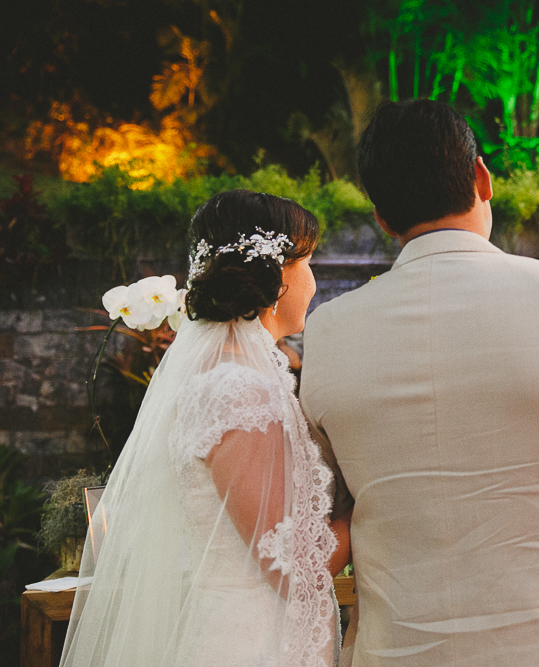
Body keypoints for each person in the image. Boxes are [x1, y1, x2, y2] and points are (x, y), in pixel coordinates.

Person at [300, 99, 539, 667]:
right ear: (482, 178)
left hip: (403, 644)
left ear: (382, 217)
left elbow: (329, 502)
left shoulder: (330, 332)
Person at [61, 190, 352, 667]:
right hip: (252, 645)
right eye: (308, 264)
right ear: (278, 275)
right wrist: (379, 507)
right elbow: (292, 566)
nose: (314, 283)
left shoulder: (235, 374)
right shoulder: (238, 389)